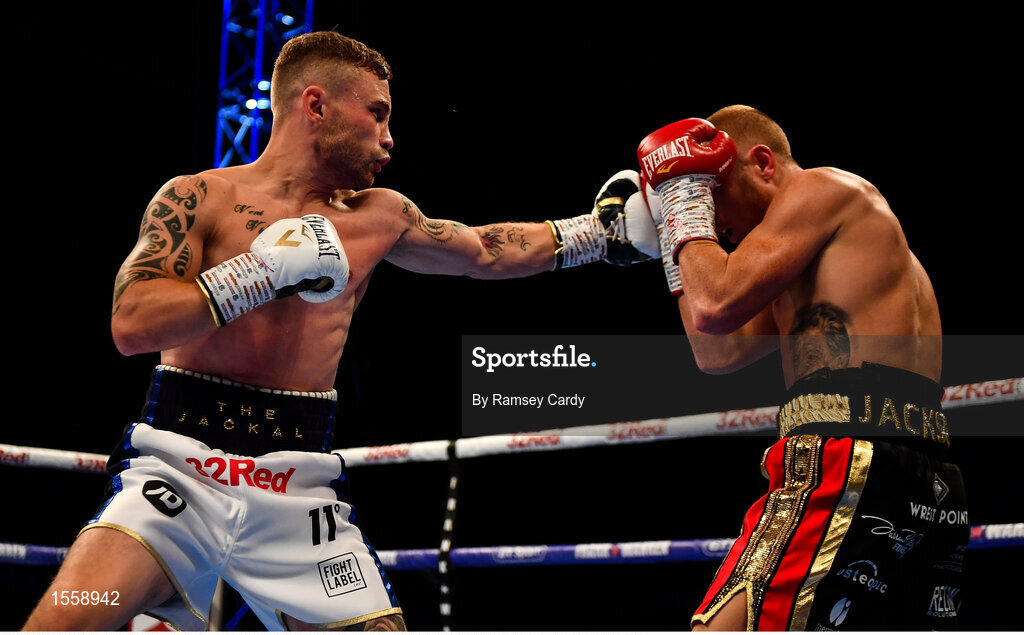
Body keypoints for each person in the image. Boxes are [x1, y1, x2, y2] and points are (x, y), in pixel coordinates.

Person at [22, 31, 657, 632]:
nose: (389, 137)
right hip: (177, 475)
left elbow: (484, 250)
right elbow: (132, 323)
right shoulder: (198, 197)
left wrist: (600, 232)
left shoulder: (379, 216)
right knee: (69, 616)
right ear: (316, 105)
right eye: (376, 114)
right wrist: (261, 273)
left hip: (299, 494)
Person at [636, 106, 968, 631]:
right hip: (926, 479)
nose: (715, 225)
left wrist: (681, 197)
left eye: (712, 193)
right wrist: (674, 244)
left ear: (762, 162)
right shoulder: (815, 264)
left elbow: (713, 306)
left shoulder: (823, 189)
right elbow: (714, 350)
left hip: (848, 457)